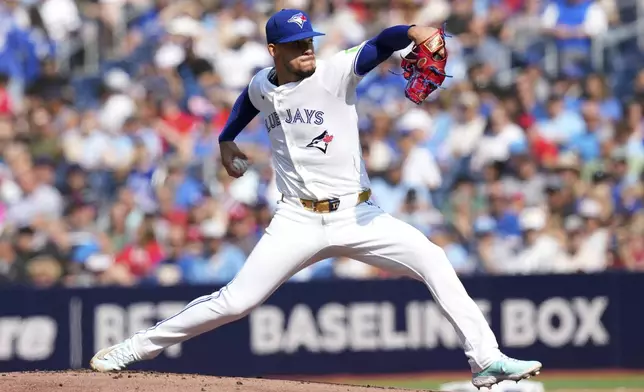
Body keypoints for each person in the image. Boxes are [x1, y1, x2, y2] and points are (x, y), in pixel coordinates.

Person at [90, 9, 542, 388]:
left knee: (433, 259)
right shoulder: (262, 83)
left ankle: (485, 361)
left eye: (309, 40)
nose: (307, 48)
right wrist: (228, 138)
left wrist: (412, 32)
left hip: (360, 214)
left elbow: (379, 44)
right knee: (236, 302)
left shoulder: (333, 71)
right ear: (274, 52)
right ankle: (134, 348)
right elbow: (248, 100)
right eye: (296, 44)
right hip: (296, 221)